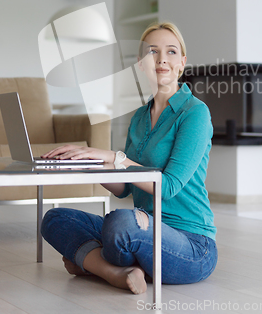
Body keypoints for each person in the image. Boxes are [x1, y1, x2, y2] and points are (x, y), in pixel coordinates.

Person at [40, 21, 218, 295]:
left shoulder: (195, 113)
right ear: (140, 64)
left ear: (182, 63)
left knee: (120, 224)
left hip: (191, 243)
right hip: (143, 222)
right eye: (152, 52)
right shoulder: (139, 116)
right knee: (54, 218)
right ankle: (115, 272)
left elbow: (168, 186)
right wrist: (89, 164)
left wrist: (115, 157)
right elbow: (124, 188)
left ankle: (91, 261)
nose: (161, 60)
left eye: (171, 52)